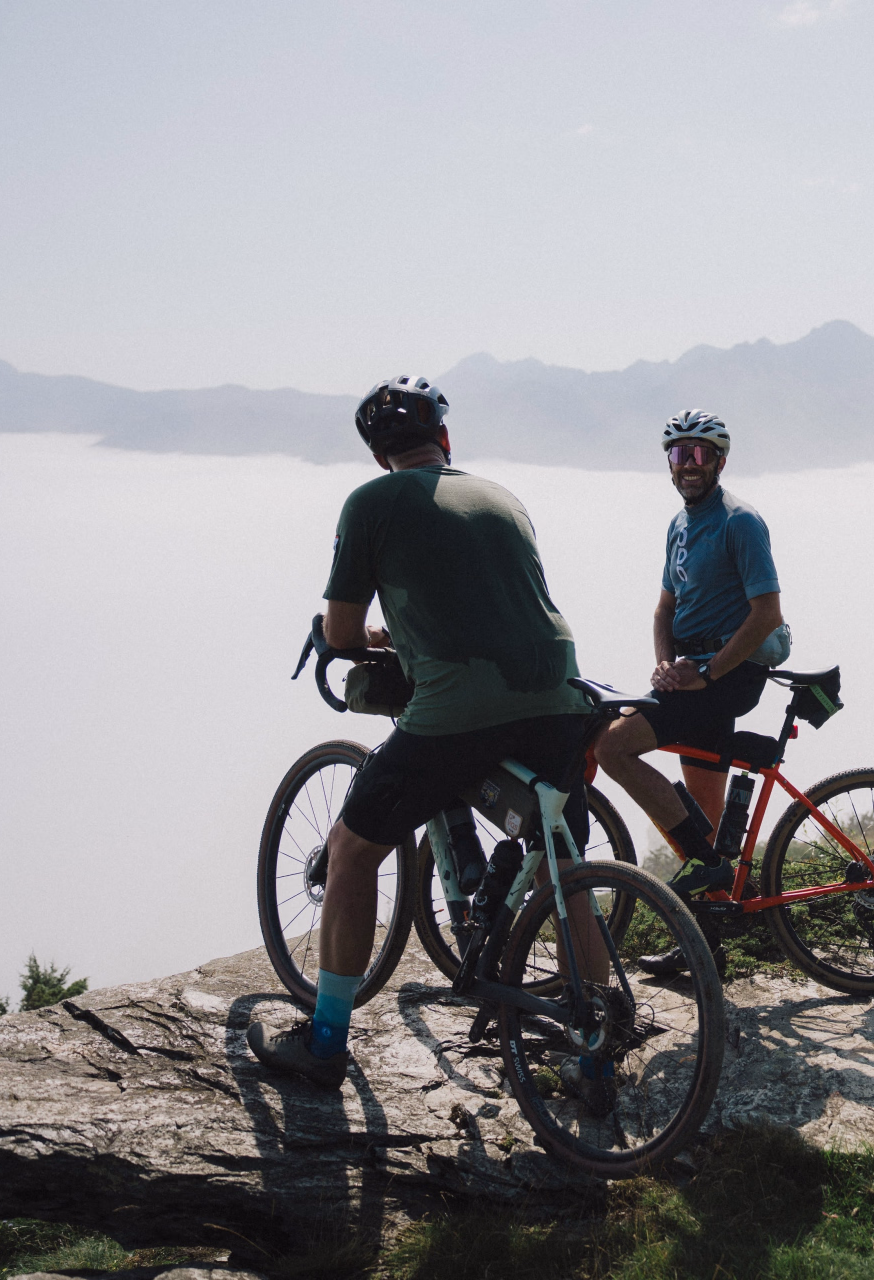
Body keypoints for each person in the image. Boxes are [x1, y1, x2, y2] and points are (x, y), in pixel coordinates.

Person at [248, 375, 609, 1099]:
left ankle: (324, 1043)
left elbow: (344, 632)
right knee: (562, 862)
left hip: (458, 708)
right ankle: (594, 1035)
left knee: (351, 853)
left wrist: (351, 638)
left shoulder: (371, 503)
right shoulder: (503, 497)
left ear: (381, 455)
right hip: (565, 696)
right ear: (445, 439)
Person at [592, 410, 789, 974]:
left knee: (612, 747)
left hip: (730, 675)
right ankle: (704, 944)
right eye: (680, 455)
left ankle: (709, 865)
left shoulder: (740, 522)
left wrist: (706, 676)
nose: (690, 465)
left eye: (701, 454)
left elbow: (765, 613)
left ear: (721, 461)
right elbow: (664, 609)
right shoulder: (679, 525)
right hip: (691, 673)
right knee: (701, 805)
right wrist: (663, 667)